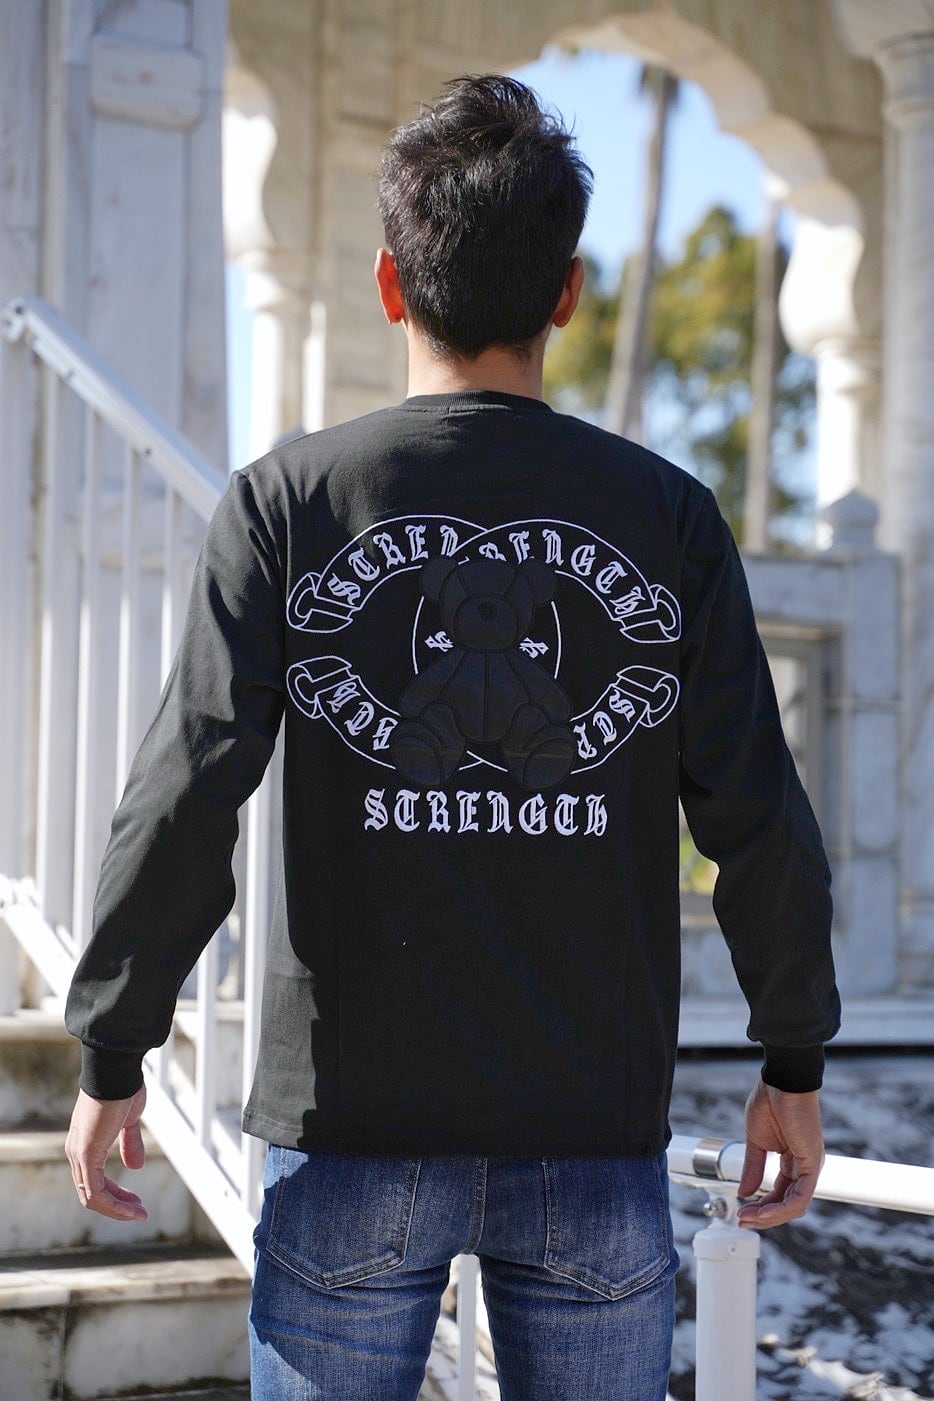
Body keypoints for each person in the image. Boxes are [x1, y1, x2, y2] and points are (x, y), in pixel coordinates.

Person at [62, 72, 842, 1401]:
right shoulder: (666, 517)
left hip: (351, 1128)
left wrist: (113, 1047)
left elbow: (188, 786)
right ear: (567, 294)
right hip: (589, 1130)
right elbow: (755, 812)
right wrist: (793, 1061)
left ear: (389, 282)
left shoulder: (287, 504)